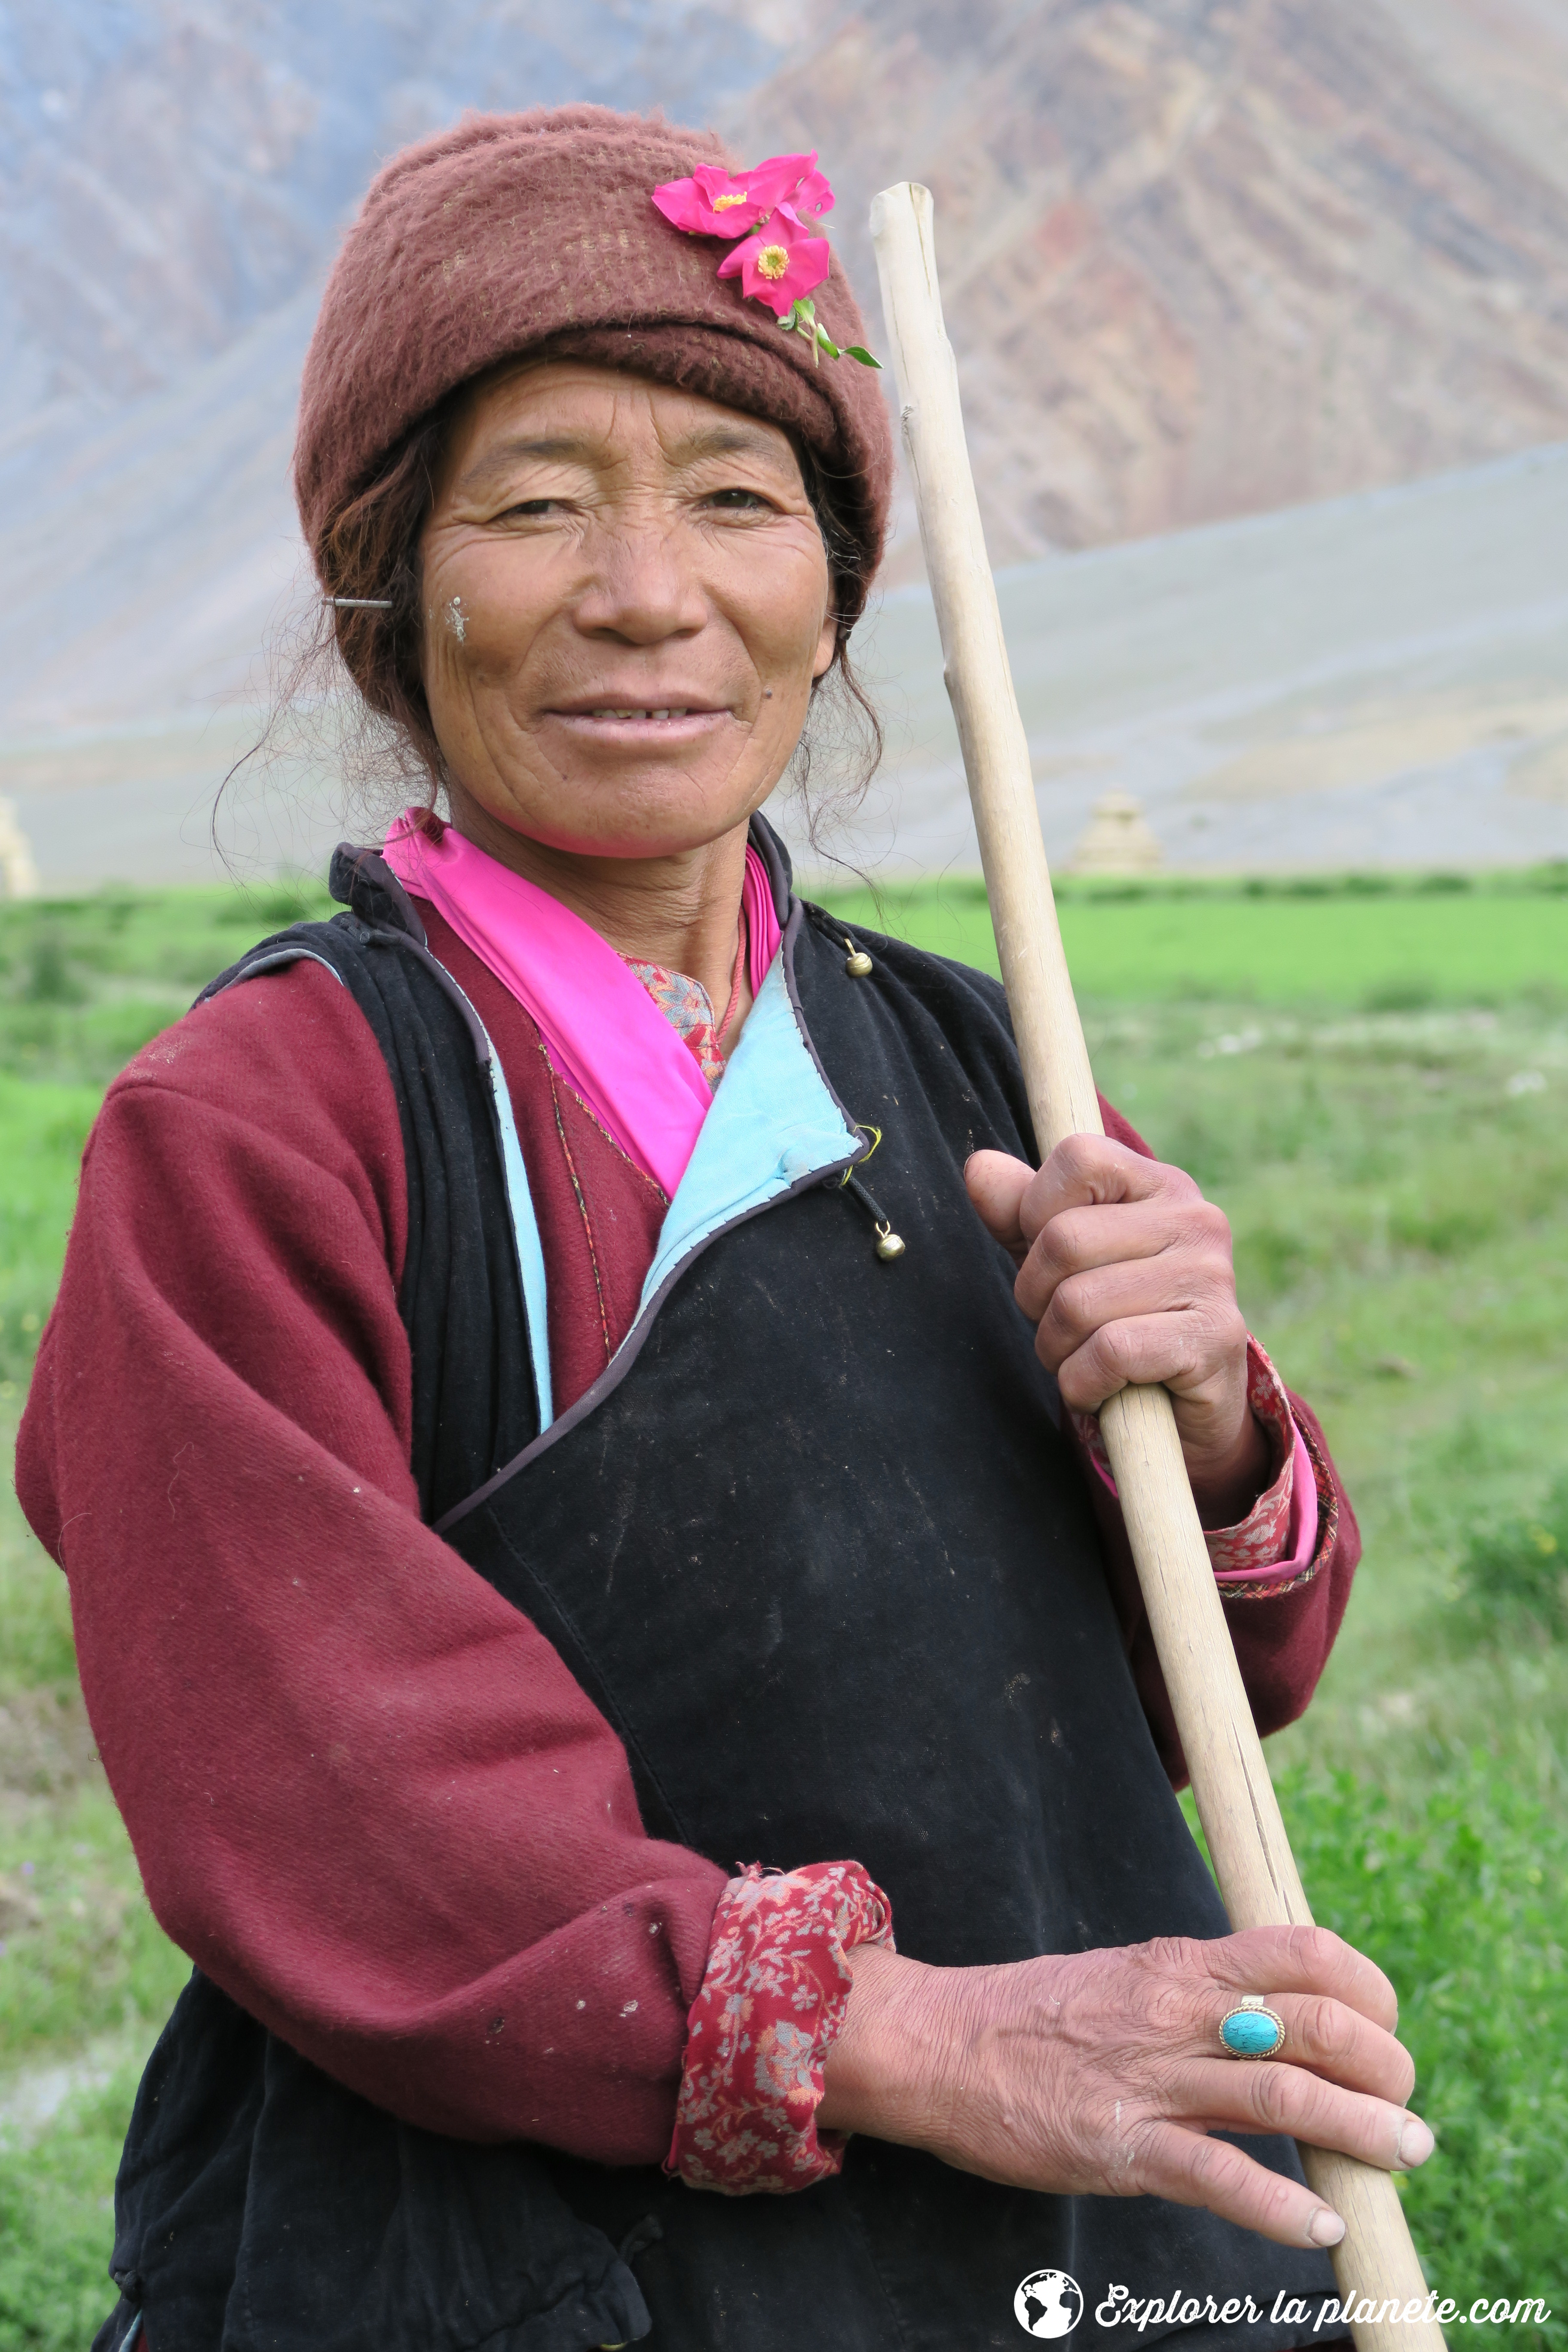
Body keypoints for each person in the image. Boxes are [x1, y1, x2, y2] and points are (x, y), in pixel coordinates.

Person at [17, 106, 1431, 2352]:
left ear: (835, 590)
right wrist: (917, 2040)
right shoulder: (264, 1121)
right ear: (396, 591)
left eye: (738, 500)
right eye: (541, 503)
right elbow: (318, 1775)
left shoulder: (976, 1063)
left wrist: (1218, 1434)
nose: (647, 594)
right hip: (536, 2282)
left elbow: (1193, 1683)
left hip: (1080, 2258)